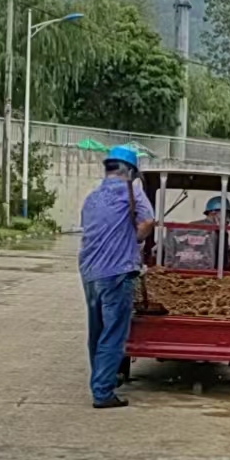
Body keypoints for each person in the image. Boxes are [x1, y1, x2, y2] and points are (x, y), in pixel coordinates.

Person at [79, 146, 155, 409]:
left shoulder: (92, 197)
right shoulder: (133, 190)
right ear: (131, 171)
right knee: (113, 333)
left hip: (89, 272)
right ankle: (102, 391)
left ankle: (103, 378)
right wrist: (132, 239)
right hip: (116, 273)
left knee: (97, 331)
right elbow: (147, 222)